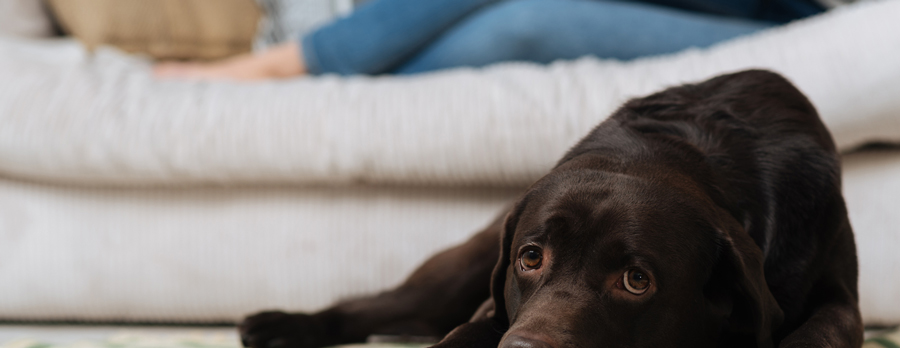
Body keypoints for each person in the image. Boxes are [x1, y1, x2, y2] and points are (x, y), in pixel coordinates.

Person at [154, 0, 835, 80]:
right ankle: (311, 57)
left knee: (524, 23)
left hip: (794, 21)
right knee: (518, 23)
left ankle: (294, 64)